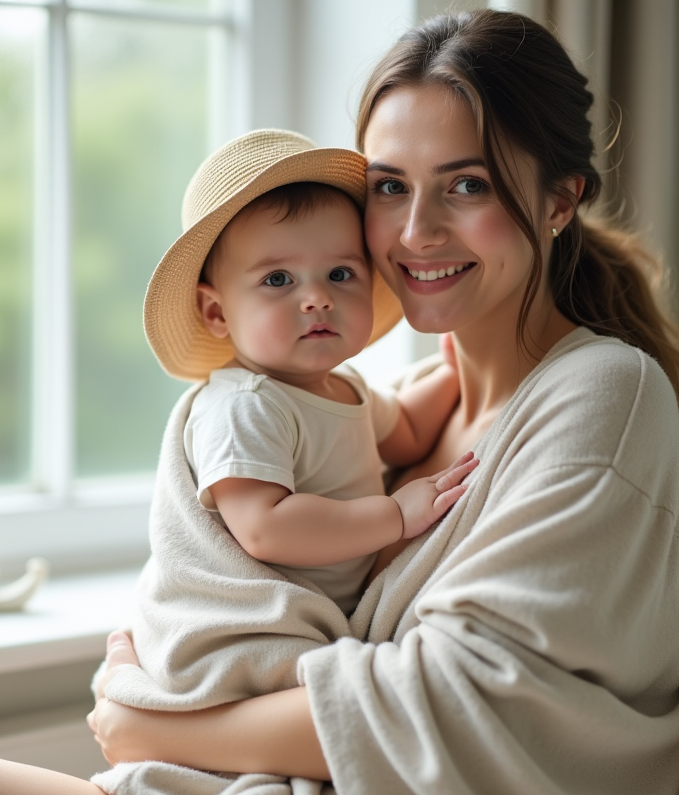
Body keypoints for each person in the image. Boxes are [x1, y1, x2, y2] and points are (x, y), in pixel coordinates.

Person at [0, 9, 679, 795]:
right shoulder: (370, 404)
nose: (415, 230)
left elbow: (460, 706)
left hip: (287, 772)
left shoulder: (602, 394)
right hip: (238, 771)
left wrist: (153, 727)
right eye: (390, 186)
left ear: (560, 199)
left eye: (466, 185)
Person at [147, 129, 476, 619]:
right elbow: (264, 527)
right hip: (248, 618)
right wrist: (396, 515)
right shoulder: (246, 405)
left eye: (340, 274)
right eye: (278, 280)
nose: (318, 298)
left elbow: (405, 433)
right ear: (216, 313)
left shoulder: (344, 387)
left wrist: (455, 371)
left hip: (321, 611)